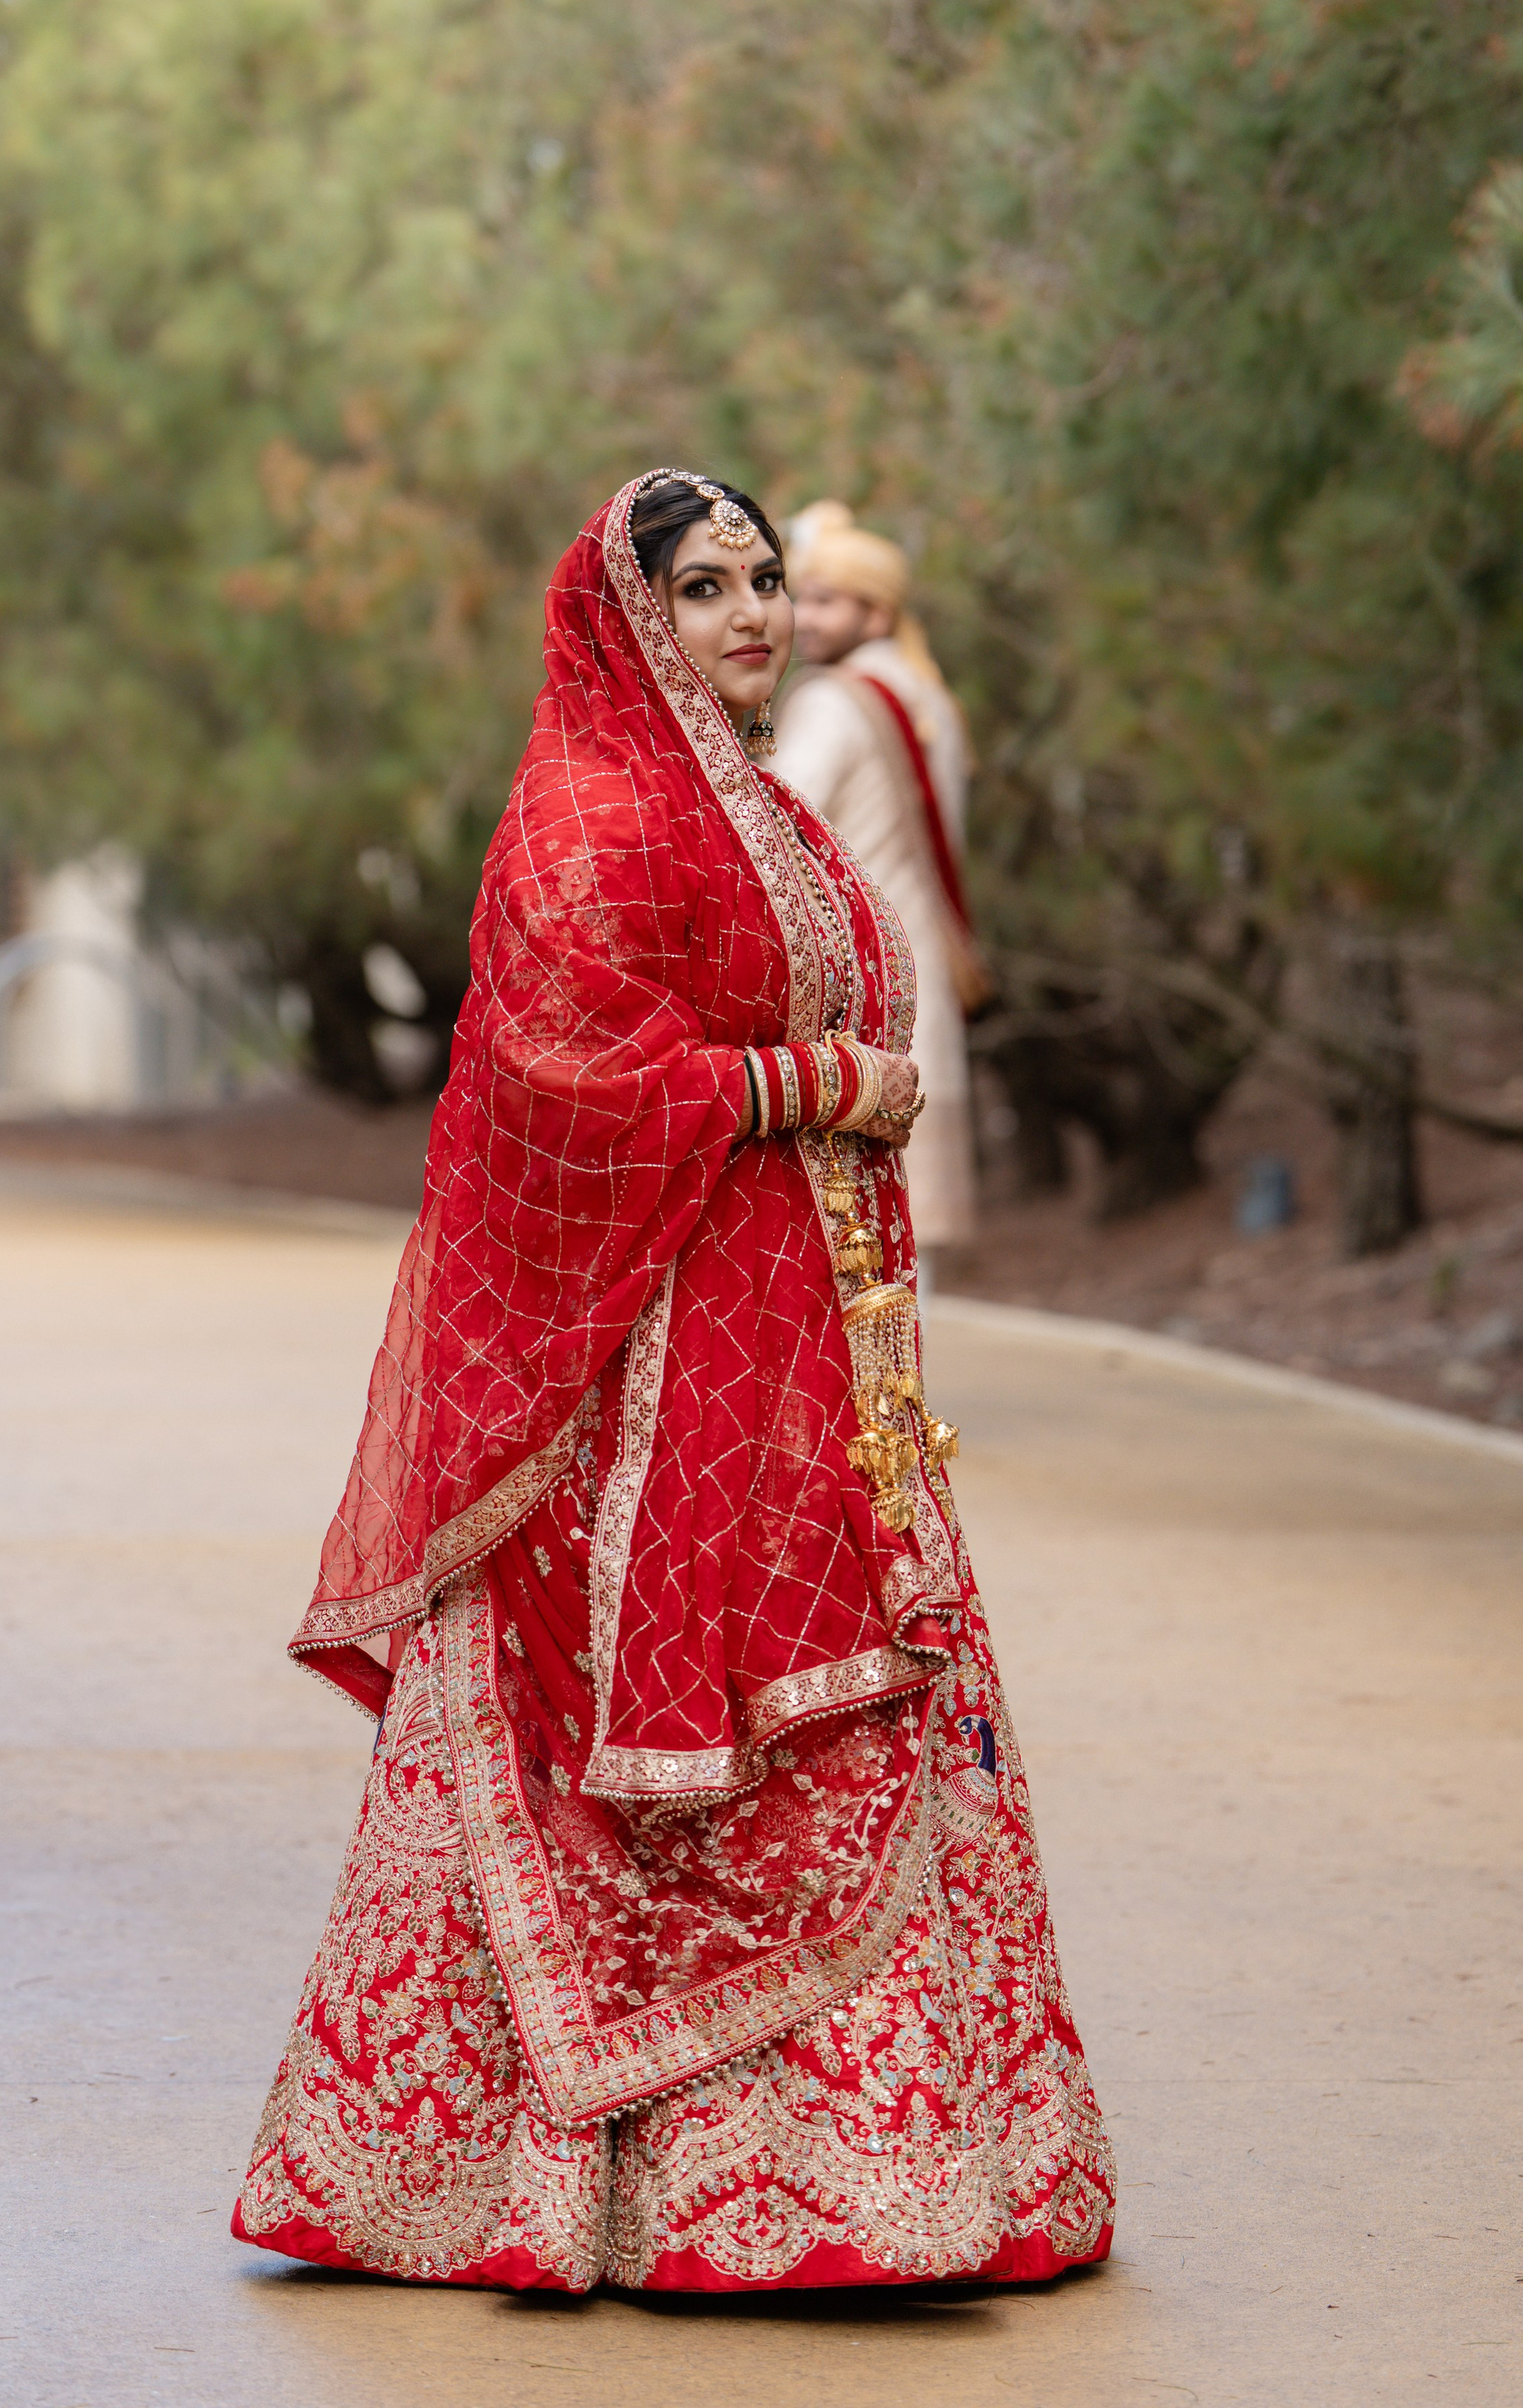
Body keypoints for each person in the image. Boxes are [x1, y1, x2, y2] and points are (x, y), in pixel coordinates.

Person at [232, 470, 1114, 2294]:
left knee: (867, 1703)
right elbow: (565, 1085)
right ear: (626, 614)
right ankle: (552, 2186)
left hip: (810, 1365)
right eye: (704, 586)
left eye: (764, 581)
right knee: (642, 1778)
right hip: (624, 1405)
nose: (749, 615)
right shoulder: (588, 811)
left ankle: (881, 2175)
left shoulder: (759, 805)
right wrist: (817, 1087)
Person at [772, 502, 987, 1257]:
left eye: (825, 602)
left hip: (855, 974)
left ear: (878, 609)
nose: (803, 619)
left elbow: (776, 822)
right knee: (909, 1245)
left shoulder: (833, 701)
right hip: (918, 958)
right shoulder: (933, 698)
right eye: (801, 598)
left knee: (854, 1234)